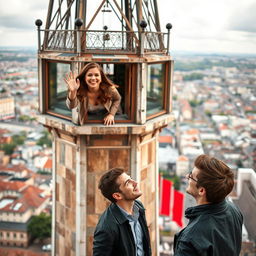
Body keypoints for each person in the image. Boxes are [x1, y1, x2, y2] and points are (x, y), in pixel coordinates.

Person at [174, 154, 243, 256]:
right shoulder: (234, 210)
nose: (187, 176)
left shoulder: (189, 240)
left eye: (191, 176)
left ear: (201, 190)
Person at [93, 168, 152, 256]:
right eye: (128, 183)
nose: (135, 183)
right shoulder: (106, 228)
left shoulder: (139, 207)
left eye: (131, 178)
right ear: (117, 195)